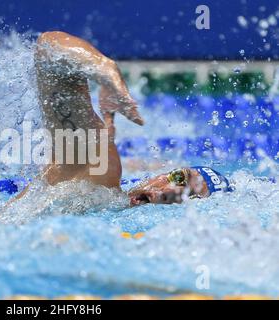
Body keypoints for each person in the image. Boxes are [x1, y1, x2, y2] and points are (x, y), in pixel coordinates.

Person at [24, 31, 232, 206]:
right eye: (179, 178)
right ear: (164, 173)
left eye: (187, 197)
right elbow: (48, 49)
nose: (168, 191)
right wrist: (105, 70)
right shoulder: (96, 177)